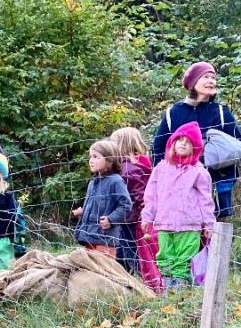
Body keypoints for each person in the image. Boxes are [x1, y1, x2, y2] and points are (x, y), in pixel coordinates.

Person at [153, 61, 241, 219]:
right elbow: (159, 148)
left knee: (215, 234)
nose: (211, 81)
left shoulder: (221, 112)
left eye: (213, 77)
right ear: (193, 82)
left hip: (217, 184)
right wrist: (159, 180)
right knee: (184, 229)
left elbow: (237, 143)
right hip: (179, 185)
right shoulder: (173, 113)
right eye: (205, 77)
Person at [142, 122, 216, 291]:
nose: (183, 143)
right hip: (164, 224)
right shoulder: (160, 169)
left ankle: (180, 295)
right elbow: (151, 196)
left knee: (183, 261)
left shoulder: (199, 172)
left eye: (188, 141)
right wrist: (147, 216)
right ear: (172, 143)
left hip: (189, 225)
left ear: (195, 147)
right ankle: (168, 291)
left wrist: (209, 224)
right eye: (179, 140)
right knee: (165, 258)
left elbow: (206, 200)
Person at [110, 128, 162, 294]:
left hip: (131, 217)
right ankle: (127, 280)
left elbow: (137, 196)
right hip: (142, 215)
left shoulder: (127, 168)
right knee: (129, 251)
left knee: (131, 251)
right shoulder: (144, 161)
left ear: (120, 144)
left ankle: (137, 283)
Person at [71, 140, 132, 259]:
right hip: (89, 236)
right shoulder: (93, 182)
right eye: (90, 157)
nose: (91, 160)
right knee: (91, 270)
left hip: (105, 238)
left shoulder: (116, 181)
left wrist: (111, 219)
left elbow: (125, 205)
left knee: (104, 272)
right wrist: (83, 212)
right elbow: (97, 206)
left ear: (110, 160)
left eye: (96, 157)